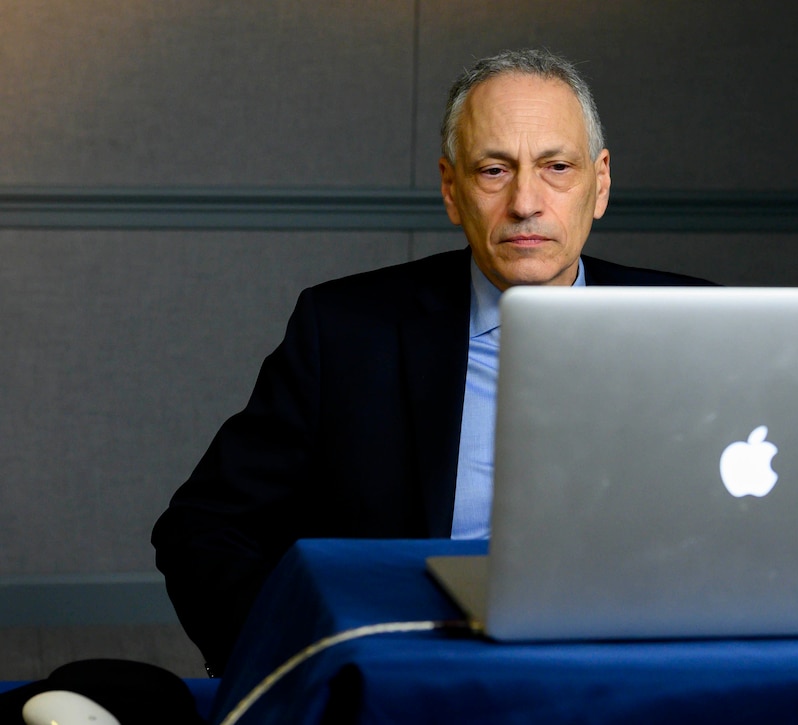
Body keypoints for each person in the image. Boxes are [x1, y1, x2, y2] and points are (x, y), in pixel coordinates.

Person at [152, 48, 711, 676]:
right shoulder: (343, 332)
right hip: (421, 672)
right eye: (494, 170)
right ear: (452, 189)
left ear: (600, 183)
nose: (526, 201)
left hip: (645, 666)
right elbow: (203, 527)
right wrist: (287, 665)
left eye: (557, 166)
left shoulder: (704, 325)